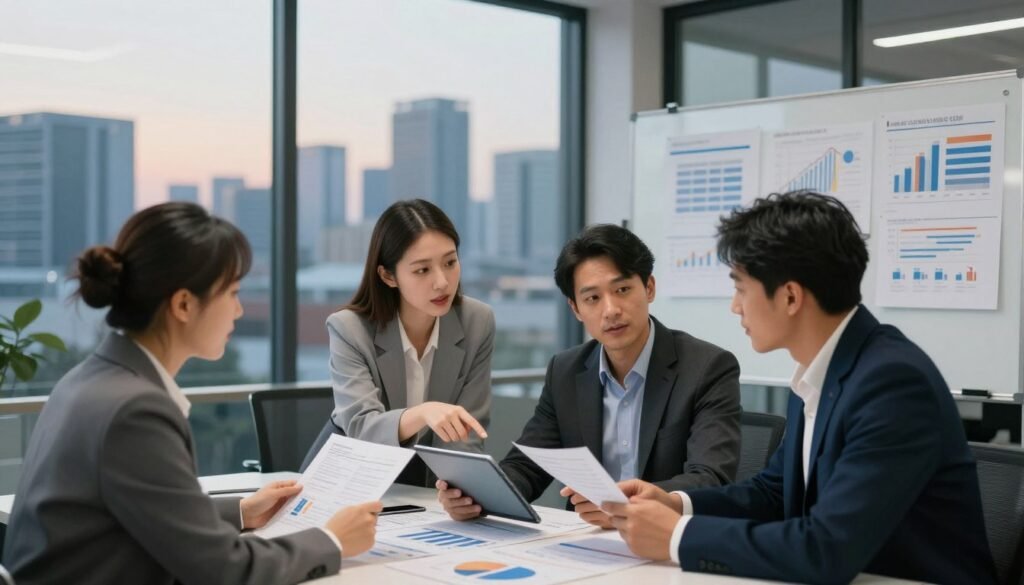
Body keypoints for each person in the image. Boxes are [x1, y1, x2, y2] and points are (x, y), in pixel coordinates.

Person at [605, 191, 997, 585]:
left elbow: (827, 549)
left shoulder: (891, 383)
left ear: (790, 296)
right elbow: (774, 493)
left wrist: (676, 537)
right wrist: (675, 504)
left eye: (741, 288)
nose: (735, 307)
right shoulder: (822, 370)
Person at [2, 203, 382, 585]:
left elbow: (137, 511)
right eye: (232, 293)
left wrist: (241, 512)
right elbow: (224, 569)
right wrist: (332, 540)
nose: (237, 310)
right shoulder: (136, 409)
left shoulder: (90, 378)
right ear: (183, 304)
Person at [438, 224, 741, 526]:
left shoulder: (706, 368)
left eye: (622, 290)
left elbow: (711, 479)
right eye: (593, 298)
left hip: (666, 541)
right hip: (588, 543)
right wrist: (476, 498)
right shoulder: (566, 371)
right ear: (576, 309)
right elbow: (528, 465)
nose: (610, 310)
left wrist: (629, 507)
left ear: (649, 287)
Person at [307, 199, 494, 487]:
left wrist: (458, 491)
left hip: (421, 485)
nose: (442, 282)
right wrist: (422, 413)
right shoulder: (349, 328)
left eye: (450, 262)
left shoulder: (477, 321)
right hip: (345, 477)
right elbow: (362, 428)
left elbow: (466, 433)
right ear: (388, 275)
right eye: (422, 270)